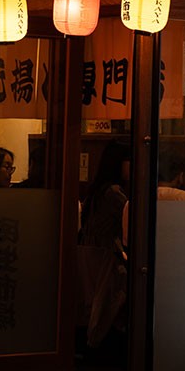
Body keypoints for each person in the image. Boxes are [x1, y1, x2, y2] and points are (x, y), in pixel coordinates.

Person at [78, 141, 131, 357]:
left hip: (92, 255)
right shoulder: (113, 192)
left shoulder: (97, 190)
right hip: (107, 255)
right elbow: (132, 218)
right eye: (129, 161)